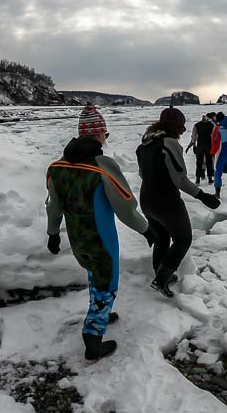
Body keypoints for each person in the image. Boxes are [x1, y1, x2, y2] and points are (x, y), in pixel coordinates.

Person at [45, 104, 155, 361]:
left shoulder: (59, 167)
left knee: (95, 276)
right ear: (98, 135)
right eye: (105, 133)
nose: (106, 138)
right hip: (101, 239)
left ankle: (101, 311)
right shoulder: (102, 166)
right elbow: (125, 208)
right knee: (108, 283)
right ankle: (92, 337)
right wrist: (147, 229)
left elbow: (53, 206)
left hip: (77, 239)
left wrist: (53, 233)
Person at [137, 107, 220, 299]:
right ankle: (160, 280)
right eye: (181, 127)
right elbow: (180, 180)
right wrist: (202, 196)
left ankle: (161, 274)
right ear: (176, 127)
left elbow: (143, 174)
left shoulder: (144, 145)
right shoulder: (169, 143)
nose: (183, 131)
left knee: (162, 239)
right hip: (166, 202)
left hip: (147, 200)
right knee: (183, 240)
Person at [186, 112, 216, 185]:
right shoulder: (211, 125)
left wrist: (193, 143)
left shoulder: (197, 125)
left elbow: (194, 135)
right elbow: (213, 135)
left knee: (199, 162)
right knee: (209, 162)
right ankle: (210, 179)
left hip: (200, 145)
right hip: (208, 145)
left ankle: (197, 180)